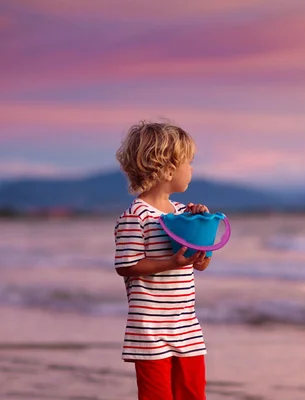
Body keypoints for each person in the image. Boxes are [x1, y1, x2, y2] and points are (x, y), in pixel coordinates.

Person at [113, 121, 211, 400]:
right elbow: (126, 265)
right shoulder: (137, 215)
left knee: (192, 394)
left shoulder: (182, 213)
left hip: (186, 326)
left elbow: (200, 262)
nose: (191, 169)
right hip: (150, 330)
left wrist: (200, 225)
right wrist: (170, 262)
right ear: (167, 169)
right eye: (188, 162)